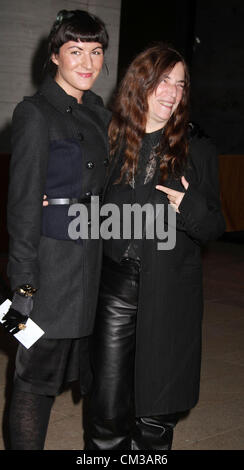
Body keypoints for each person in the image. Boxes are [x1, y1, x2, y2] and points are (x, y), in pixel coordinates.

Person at [83, 43, 226, 450]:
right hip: (114, 291)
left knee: (155, 419)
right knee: (106, 410)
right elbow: (87, 205)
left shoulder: (197, 148)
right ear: (140, 83)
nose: (172, 92)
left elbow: (214, 225)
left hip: (169, 296)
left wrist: (188, 205)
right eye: (163, 81)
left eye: (180, 85)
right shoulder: (109, 139)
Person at [4, 9, 110, 450]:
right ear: (54, 56)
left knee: (96, 376)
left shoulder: (102, 113)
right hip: (49, 271)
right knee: (33, 381)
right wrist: (23, 286)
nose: (87, 63)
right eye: (75, 51)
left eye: (96, 51)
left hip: (95, 267)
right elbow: (23, 208)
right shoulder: (34, 114)